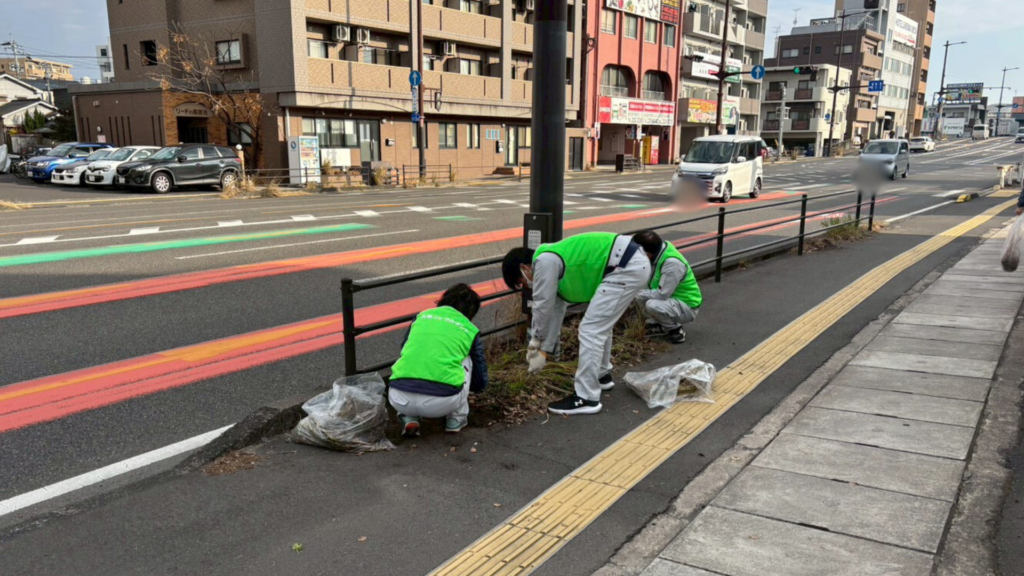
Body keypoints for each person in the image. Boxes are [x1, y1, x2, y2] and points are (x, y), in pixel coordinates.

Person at [501, 232, 651, 416]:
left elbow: (542, 306)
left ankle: (586, 397)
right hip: (629, 263)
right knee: (600, 326)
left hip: (625, 266)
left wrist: (534, 342)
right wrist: (542, 350)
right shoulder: (554, 261)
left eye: (521, 281)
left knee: (591, 330)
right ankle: (602, 374)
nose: (526, 286)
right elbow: (554, 312)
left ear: (524, 267)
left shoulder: (544, 261)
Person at [388, 284, 488, 437]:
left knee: (415, 354)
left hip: (399, 397)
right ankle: (456, 419)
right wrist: (478, 387)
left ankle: (408, 417)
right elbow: (479, 365)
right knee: (466, 357)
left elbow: (404, 347)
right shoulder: (469, 328)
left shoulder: (422, 316)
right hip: (442, 402)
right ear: (471, 310)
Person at [632, 230, 702, 344]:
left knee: (651, 304)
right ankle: (655, 323)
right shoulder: (658, 250)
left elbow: (663, 294)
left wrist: (634, 294)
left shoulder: (672, 263)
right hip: (671, 300)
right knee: (638, 291)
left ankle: (675, 330)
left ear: (648, 253)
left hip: (687, 305)